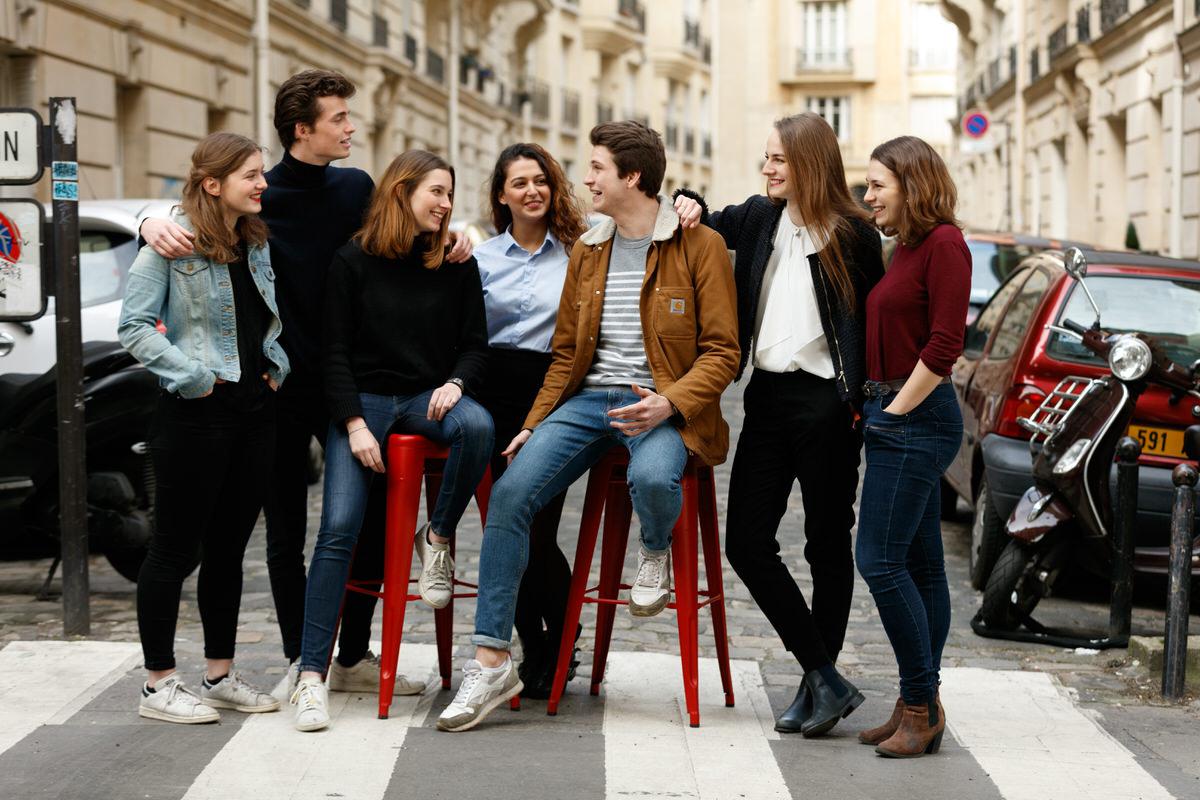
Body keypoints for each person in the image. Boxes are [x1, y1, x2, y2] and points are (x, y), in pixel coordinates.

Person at [140, 70, 471, 696]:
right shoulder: (259, 200)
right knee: (287, 530)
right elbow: (200, 216)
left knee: (367, 525)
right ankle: (301, 658)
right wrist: (148, 223)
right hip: (280, 388)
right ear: (303, 128)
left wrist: (457, 234)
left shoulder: (356, 188)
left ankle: (350, 654)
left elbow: (403, 230)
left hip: (357, 382)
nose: (352, 127)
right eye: (340, 118)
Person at [436, 120, 740, 733]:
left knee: (654, 480)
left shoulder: (698, 244)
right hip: (585, 402)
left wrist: (669, 403)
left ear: (631, 176)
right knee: (512, 494)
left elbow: (723, 352)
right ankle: (491, 658)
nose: (586, 178)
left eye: (597, 166)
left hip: (658, 403)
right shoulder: (590, 247)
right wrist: (534, 422)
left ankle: (654, 550)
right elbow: (567, 352)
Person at [672, 112, 884, 737]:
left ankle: (815, 684)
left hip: (826, 404)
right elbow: (706, 216)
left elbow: (871, 326)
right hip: (765, 397)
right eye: (766, 158)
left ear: (810, 165)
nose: (766, 169)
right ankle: (824, 675)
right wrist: (688, 202)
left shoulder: (852, 234)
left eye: (778, 161)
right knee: (746, 542)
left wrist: (863, 403)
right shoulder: (761, 218)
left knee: (825, 543)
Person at [290, 150, 494, 732]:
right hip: (366, 404)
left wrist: (457, 383)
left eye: (450, 193)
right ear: (402, 192)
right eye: (436, 191)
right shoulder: (353, 260)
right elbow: (334, 355)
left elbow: (474, 345)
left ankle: (438, 536)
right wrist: (353, 424)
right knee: (339, 529)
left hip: (430, 397)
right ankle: (311, 676)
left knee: (478, 425)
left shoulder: (454, 261)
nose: (446, 203)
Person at [119, 132, 289, 724]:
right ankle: (158, 684)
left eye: (262, 173)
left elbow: (267, 319)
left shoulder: (255, 242)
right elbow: (135, 326)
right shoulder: (173, 243)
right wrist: (191, 376)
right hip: (194, 415)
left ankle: (219, 675)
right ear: (213, 183)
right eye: (250, 175)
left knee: (227, 551)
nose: (262, 183)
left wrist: (276, 367)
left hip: (252, 415)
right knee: (172, 549)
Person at [855, 136, 970, 758]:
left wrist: (895, 412)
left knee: (878, 560)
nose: (868, 195)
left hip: (916, 419)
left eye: (877, 185)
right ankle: (915, 704)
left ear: (912, 184)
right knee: (921, 564)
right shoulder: (904, 247)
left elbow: (946, 344)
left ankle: (920, 704)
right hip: (893, 412)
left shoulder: (945, 244)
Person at [473, 143, 588, 698]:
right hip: (490, 396)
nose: (532, 191)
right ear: (502, 194)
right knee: (504, 525)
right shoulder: (478, 258)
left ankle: (560, 642)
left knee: (538, 530)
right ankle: (537, 648)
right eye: (519, 182)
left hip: (551, 392)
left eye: (540, 180)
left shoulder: (578, 254)